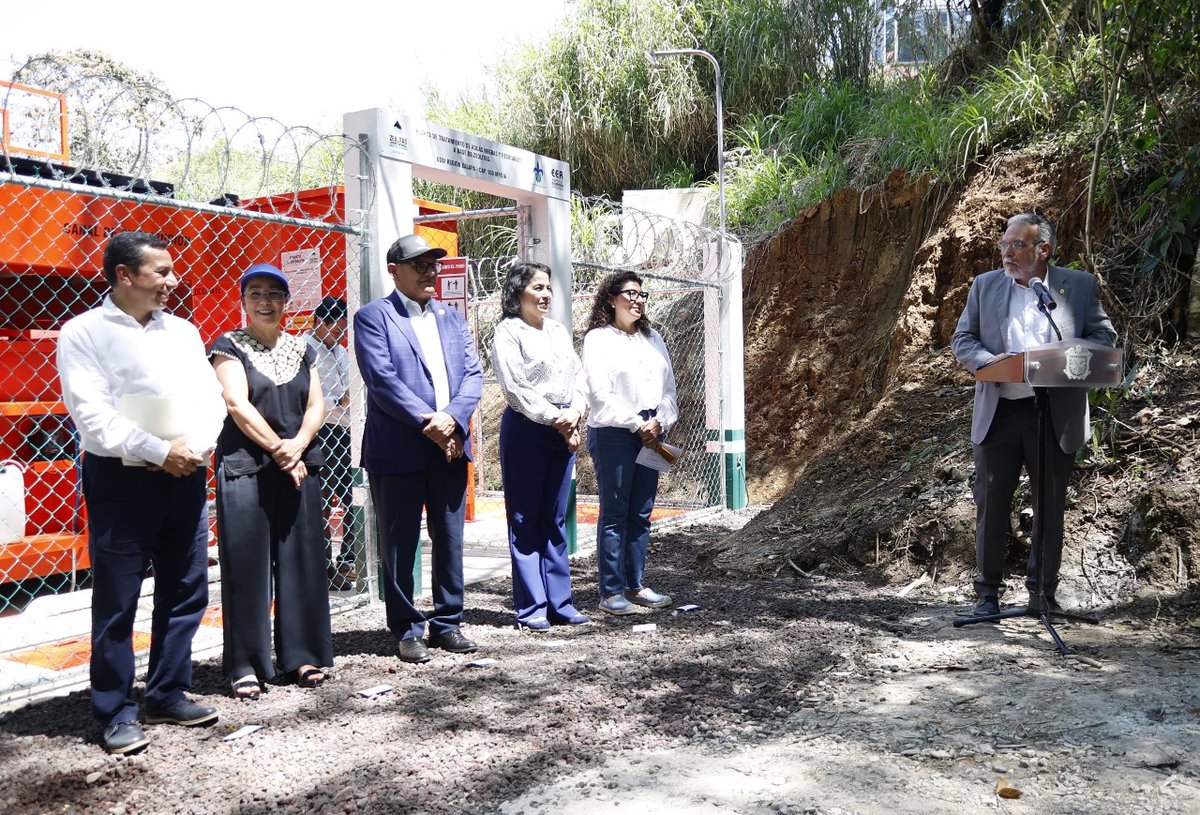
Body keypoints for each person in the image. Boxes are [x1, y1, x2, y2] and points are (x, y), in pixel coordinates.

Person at [57, 230, 226, 755]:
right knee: (118, 599)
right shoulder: (83, 333)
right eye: (161, 273)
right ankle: (114, 709)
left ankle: (167, 691)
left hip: (187, 473)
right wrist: (160, 451)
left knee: (186, 587)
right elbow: (93, 416)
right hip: (122, 480)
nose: (172, 283)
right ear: (124, 276)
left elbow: (211, 399)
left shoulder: (183, 332)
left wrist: (195, 449)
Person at [952, 213, 1117, 616]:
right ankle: (987, 595)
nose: (1007, 252)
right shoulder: (985, 285)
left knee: (1050, 506)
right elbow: (963, 338)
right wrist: (990, 362)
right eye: (1004, 245)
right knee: (991, 504)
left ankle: (1042, 594)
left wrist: (1065, 358)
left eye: (1018, 246)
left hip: (1053, 412)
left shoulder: (1077, 286)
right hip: (1000, 411)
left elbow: (1104, 338)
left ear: (1043, 249)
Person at [353, 234, 483, 663]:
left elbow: (472, 375)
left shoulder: (452, 318)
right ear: (394, 270)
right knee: (398, 542)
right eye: (419, 265)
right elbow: (382, 379)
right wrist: (432, 422)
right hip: (398, 450)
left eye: (433, 264)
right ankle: (407, 627)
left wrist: (452, 420)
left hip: (449, 446)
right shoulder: (373, 317)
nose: (430, 272)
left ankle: (448, 622)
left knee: (450, 538)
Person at [209, 264, 333, 699]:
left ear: (286, 301)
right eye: (256, 293)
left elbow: (316, 404)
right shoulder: (227, 347)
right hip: (247, 467)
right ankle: (247, 663)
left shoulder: (303, 348)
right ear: (243, 301)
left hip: (299, 465)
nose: (266, 301)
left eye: (275, 294)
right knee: (248, 568)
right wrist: (281, 452)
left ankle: (302, 656)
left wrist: (297, 444)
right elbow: (236, 404)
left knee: (301, 562)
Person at [491, 262, 590, 630]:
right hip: (528, 429)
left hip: (564, 428)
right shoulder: (507, 331)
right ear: (518, 292)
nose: (546, 295)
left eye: (548, 287)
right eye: (537, 287)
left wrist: (575, 413)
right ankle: (532, 607)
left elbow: (577, 376)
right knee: (525, 518)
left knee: (554, 517)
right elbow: (514, 386)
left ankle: (561, 603)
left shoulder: (559, 331)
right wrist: (555, 418)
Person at [582, 271, 679, 616]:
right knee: (615, 512)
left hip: (653, 431)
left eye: (642, 294)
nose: (637, 300)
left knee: (641, 512)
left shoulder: (653, 338)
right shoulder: (598, 339)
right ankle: (610, 592)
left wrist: (659, 421)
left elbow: (670, 390)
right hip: (614, 434)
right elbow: (599, 395)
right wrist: (639, 424)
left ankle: (635, 585)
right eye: (630, 293)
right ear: (611, 298)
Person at [304, 295, 358, 590]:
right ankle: (324, 566)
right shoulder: (304, 349)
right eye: (335, 329)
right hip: (319, 430)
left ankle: (349, 561)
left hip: (345, 430)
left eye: (341, 331)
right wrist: (337, 399)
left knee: (351, 498)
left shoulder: (340, 351)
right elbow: (302, 397)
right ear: (318, 324)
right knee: (322, 501)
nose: (338, 335)